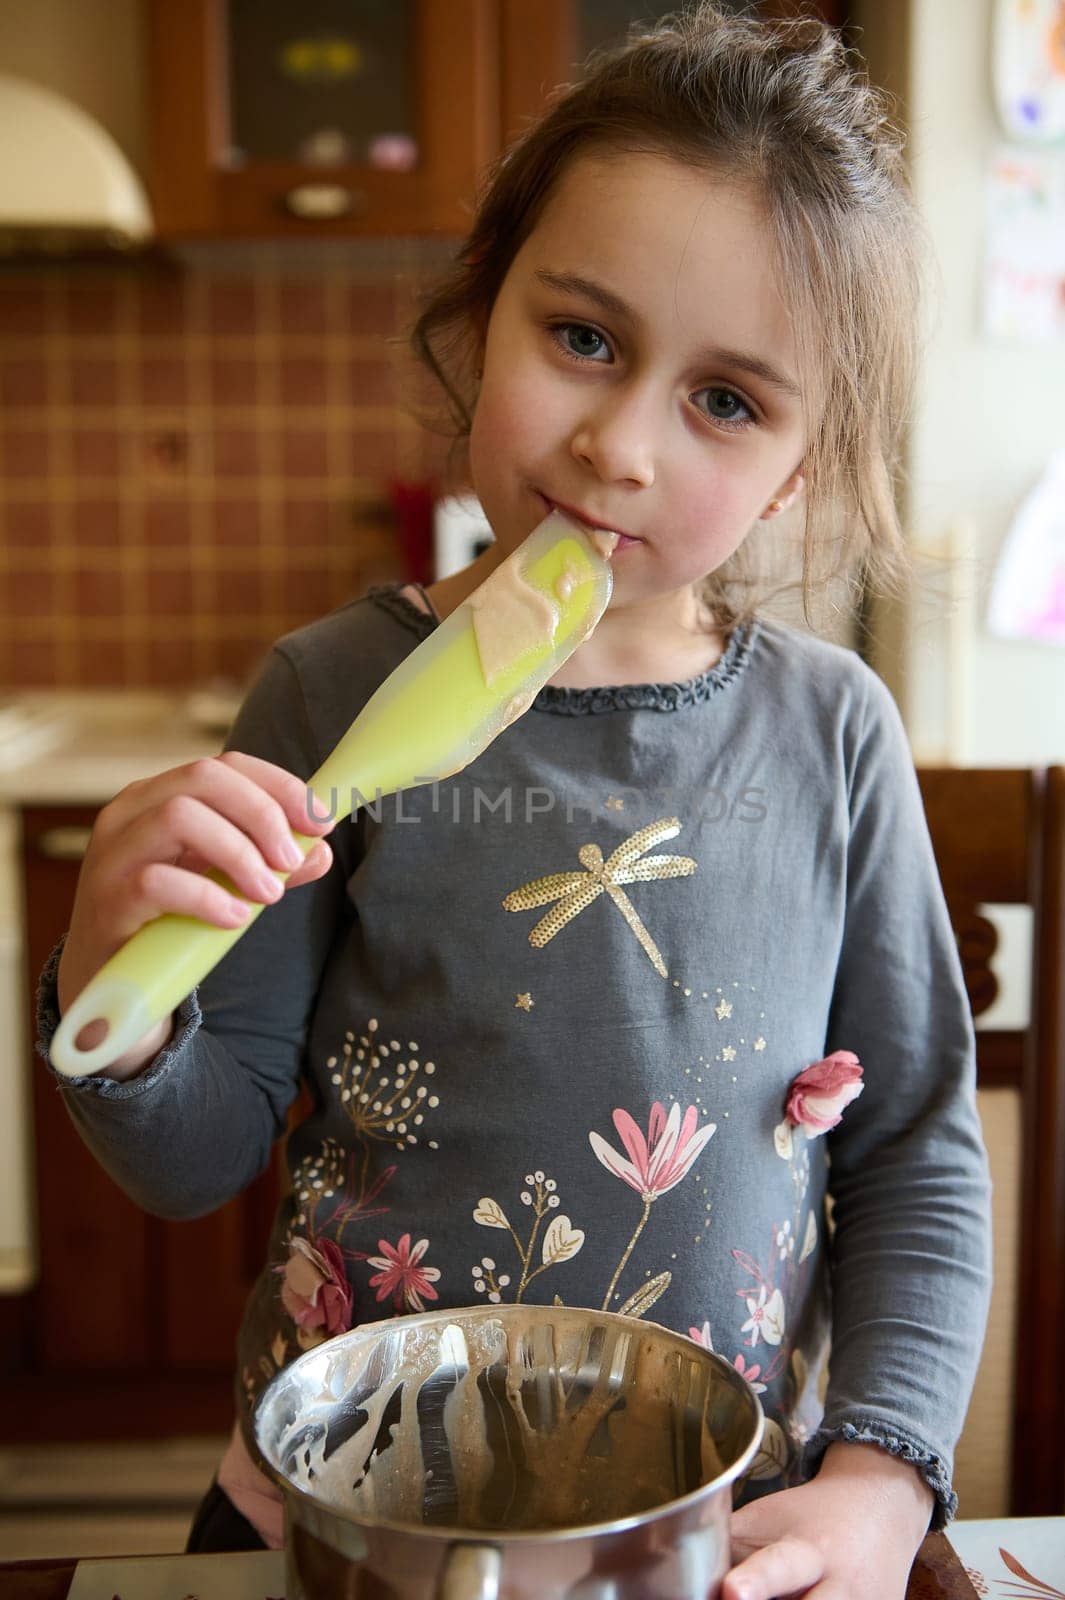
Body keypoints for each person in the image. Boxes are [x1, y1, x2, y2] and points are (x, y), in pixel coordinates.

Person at [40, 6, 991, 1596]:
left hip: (706, 1529)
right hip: (336, 1517)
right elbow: (193, 1158)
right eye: (586, 340)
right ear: (484, 314)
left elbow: (911, 1148)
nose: (617, 444)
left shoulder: (830, 734)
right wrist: (116, 982)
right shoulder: (329, 696)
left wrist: (882, 1475)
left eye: (727, 402)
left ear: (800, 474)